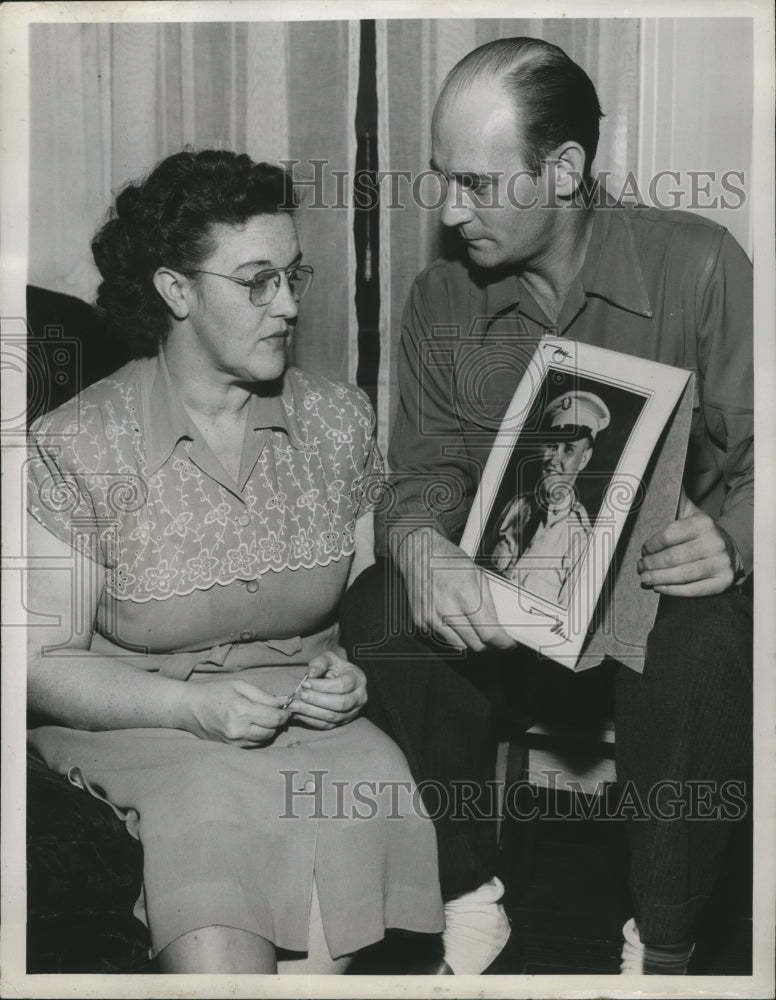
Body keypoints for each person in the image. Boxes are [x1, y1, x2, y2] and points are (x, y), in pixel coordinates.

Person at [341, 36, 752, 976]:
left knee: (708, 632)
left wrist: (732, 539)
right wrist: (420, 546)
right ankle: (469, 906)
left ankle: (665, 949)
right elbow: (422, 476)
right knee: (378, 603)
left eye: (479, 184)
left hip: (657, 631)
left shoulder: (700, 265)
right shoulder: (441, 296)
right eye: (443, 178)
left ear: (563, 170)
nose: (451, 210)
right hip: (507, 624)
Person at [26, 149, 445, 974]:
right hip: (149, 726)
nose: (287, 304)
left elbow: (365, 589)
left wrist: (356, 672)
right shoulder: (76, 442)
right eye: (256, 281)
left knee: (372, 774)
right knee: (211, 800)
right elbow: (40, 666)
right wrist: (194, 711)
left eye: (294, 275)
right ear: (175, 291)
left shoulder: (336, 420)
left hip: (315, 727)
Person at [488, 391, 610, 606]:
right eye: (552, 446)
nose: (554, 459)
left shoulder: (581, 541)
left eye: (568, 450)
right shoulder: (515, 506)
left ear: (584, 460)